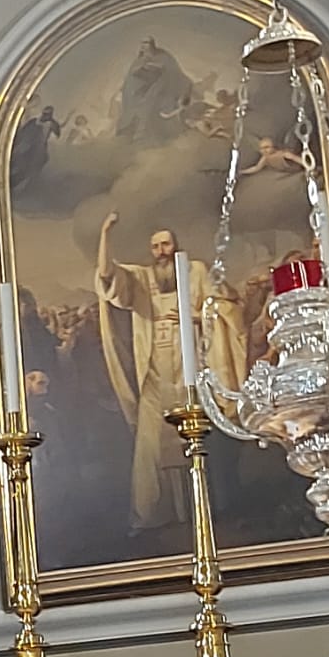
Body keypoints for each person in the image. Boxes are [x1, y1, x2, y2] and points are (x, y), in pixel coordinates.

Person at [94, 213, 246, 529]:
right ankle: (150, 516)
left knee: (201, 443)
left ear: (176, 245)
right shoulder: (140, 279)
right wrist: (105, 233)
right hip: (155, 376)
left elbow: (227, 307)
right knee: (149, 449)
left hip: (194, 372)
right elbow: (107, 276)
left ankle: (208, 513)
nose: (161, 251)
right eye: (155, 246)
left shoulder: (196, 272)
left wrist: (196, 316)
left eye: (166, 244)